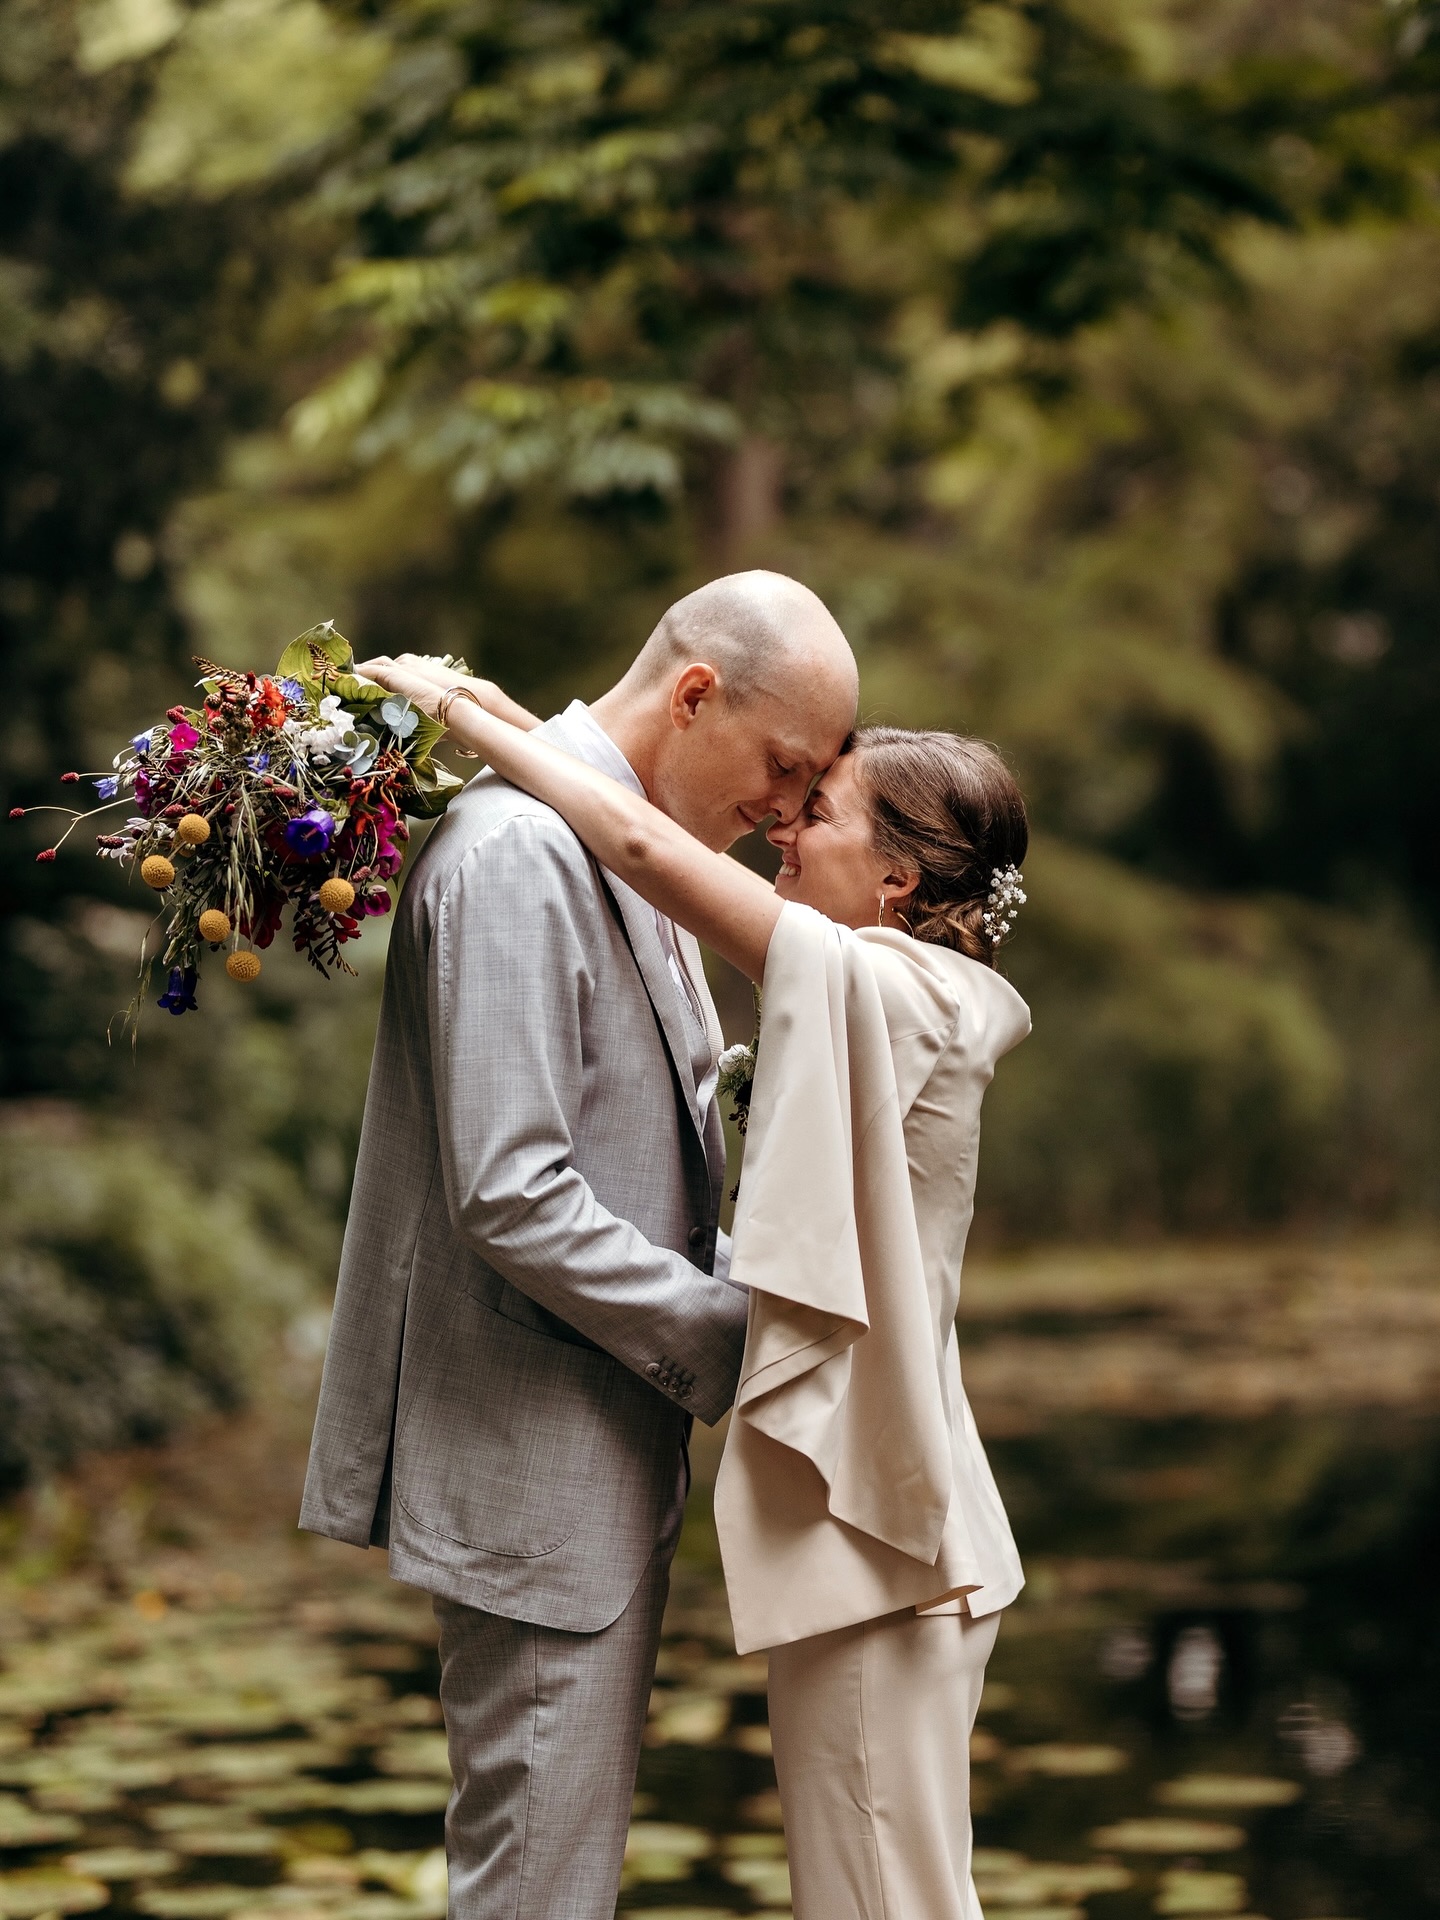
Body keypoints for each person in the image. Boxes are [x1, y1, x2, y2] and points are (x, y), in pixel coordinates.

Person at [359, 648, 1032, 1920]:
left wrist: (461, 716)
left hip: (889, 1532)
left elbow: (647, 848)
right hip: (877, 1526)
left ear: (897, 877)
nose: (781, 823)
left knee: (889, 1898)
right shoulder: (890, 981)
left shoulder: (891, 986)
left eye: (813, 806)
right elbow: (643, 834)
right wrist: (512, 719)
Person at [299, 571, 859, 1920]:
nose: (788, 812)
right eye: (784, 767)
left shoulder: (622, 847)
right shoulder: (516, 857)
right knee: (537, 1895)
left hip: (592, 1476)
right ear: (693, 695)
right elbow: (514, 1193)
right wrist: (741, 1343)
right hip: (530, 1484)